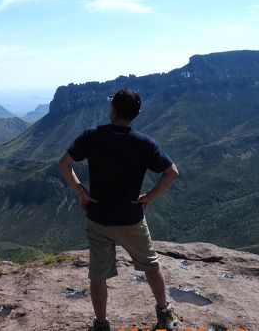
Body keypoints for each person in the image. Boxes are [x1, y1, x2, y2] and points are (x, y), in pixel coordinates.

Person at [58, 88, 180, 331]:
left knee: (98, 275)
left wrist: (81, 192)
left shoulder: (91, 136)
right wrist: (149, 197)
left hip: (99, 218)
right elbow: (172, 173)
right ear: (135, 114)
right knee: (151, 265)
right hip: (131, 218)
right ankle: (165, 315)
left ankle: (101, 325)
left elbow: (64, 165)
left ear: (112, 109)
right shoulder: (145, 143)